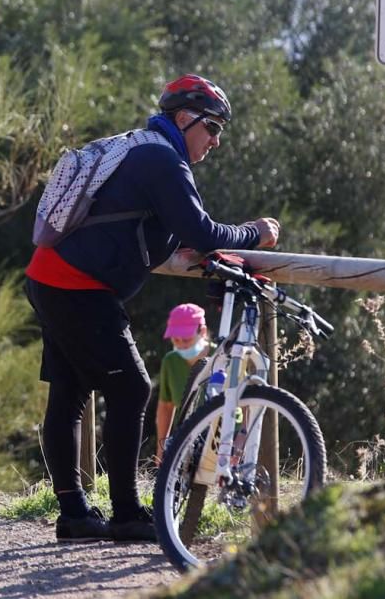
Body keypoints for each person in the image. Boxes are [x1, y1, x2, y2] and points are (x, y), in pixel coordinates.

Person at [24, 74, 279, 543]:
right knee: (132, 389)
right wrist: (254, 233)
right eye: (212, 128)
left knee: (70, 391)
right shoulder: (162, 159)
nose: (216, 141)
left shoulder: (140, 148)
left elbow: (160, 227)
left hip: (50, 277)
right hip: (77, 287)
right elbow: (202, 233)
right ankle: (124, 513)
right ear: (184, 119)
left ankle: (75, 514)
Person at [154, 303, 210, 466]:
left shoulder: (223, 357)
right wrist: (161, 448)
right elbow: (166, 406)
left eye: (186, 339)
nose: (181, 345)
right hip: (189, 435)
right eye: (176, 339)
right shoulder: (170, 362)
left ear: (202, 332)